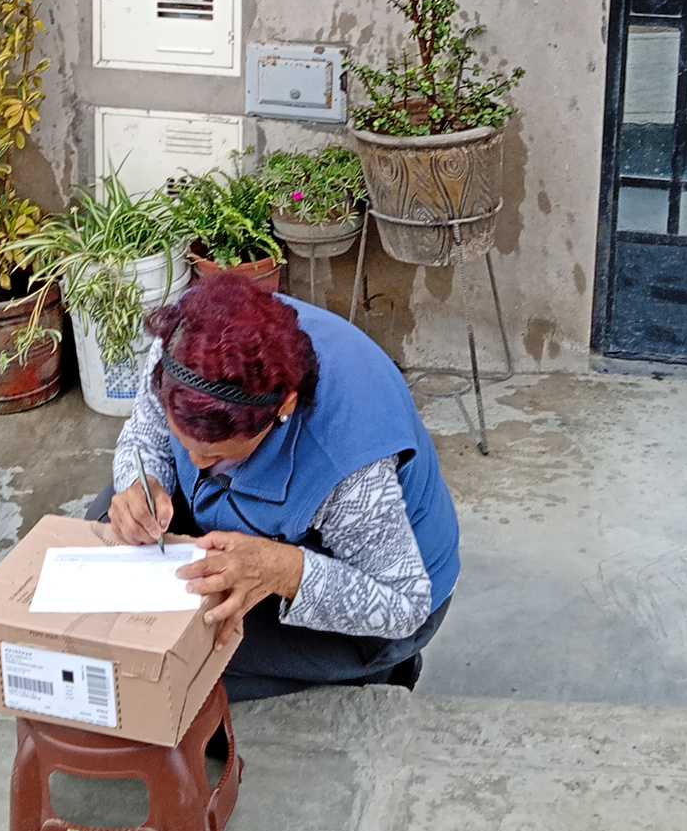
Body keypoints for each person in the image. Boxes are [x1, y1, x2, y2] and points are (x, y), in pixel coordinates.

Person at [88, 271, 459, 703]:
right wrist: (143, 481)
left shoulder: (348, 465)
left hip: (384, 597)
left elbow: (404, 605)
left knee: (181, 659)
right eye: (184, 444)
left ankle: (379, 669)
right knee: (106, 536)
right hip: (255, 527)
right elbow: (145, 435)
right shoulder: (183, 349)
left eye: (217, 454)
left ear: (284, 408)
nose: (196, 463)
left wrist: (283, 569)